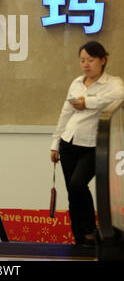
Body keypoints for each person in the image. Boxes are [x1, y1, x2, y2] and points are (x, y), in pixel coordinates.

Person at [50, 41, 124, 247]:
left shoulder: (113, 83)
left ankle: (91, 229)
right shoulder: (76, 83)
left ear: (103, 60)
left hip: (93, 145)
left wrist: (88, 103)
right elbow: (65, 114)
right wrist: (55, 144)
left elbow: (119, 96)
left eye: (90, 60)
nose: (86, 64)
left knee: (78, 183)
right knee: (73, 193)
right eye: (82, 60)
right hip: (68, 142)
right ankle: (79, 239)